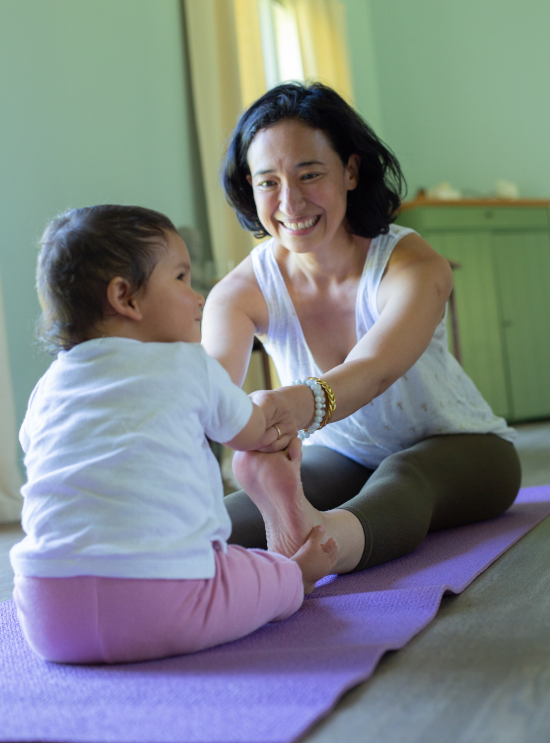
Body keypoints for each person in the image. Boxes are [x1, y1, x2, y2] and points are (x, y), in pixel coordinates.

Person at [201, 81, 521, 575]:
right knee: (245, 507)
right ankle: (163, 558)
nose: (290, 202)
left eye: (309, 175)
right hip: (342, 453)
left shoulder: (411, 263)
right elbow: (210, 394)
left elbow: (373, 370)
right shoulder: (240, 291)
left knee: (403, 476)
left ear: (350, 171)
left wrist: (290, 406)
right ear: (250, 185)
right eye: (268, 182)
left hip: (463, 448)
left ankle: (315, 556)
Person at [10, 204, 338, 665]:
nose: (199, 297)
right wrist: (270, 429)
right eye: (182, 279)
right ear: (126, 298)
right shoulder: (188, 364)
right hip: (163, 602)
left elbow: (38, 452)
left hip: (48, 615)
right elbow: (250, 430)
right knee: (241, 573)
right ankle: (295, 577)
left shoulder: (48, 388)